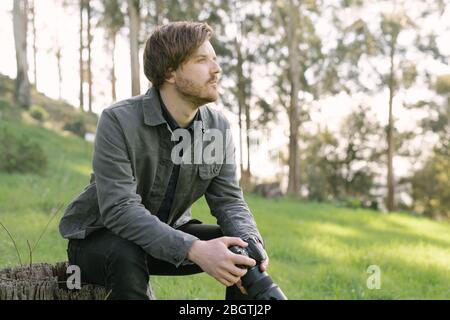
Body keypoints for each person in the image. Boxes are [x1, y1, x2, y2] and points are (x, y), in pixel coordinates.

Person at [59, 21, 268, 300]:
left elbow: (229, 200)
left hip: (171, 232)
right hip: (101, 239)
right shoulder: (118, 120)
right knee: (126, 251)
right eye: (202, 60)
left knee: (240, 251)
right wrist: (193, 248)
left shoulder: (218, 128)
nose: (216, 69)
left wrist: (252, 242)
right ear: (170, 72)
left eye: (214, 60)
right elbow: (120, 209)